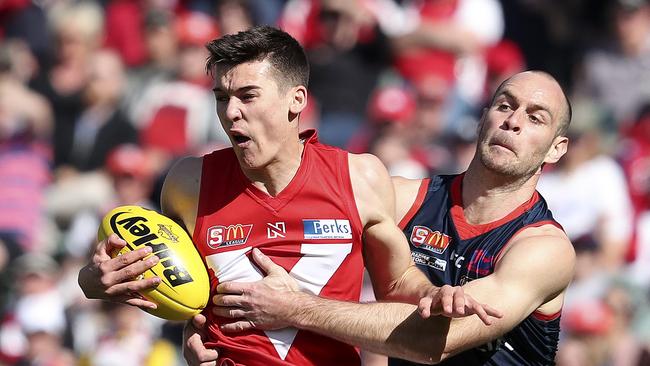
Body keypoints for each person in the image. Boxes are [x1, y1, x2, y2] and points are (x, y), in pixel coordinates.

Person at [77, 26, 500, 366]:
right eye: (221, 98)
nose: (230, 113)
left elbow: (397, 282)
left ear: (296, 100)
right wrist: (95, 282)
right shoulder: (190, 181)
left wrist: (433, 296)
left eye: (247, 96)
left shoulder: (358, 176)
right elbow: (183, 289)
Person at [200, 70, 577, 365]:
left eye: (535, 118)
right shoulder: (400, 197)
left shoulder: (543, 249)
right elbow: (272, 225)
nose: (513, 121)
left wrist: (295, 308)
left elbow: (432, 342)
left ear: (556, 149)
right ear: (482, 118)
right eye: (505, 106)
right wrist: (200, 325)